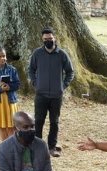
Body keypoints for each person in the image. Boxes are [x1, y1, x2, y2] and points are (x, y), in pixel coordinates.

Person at [28, 26, 74, 158]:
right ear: (42, 40)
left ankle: (52, 147)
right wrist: (35, 83)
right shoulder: (37, 53)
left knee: (54, 121)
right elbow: (31, 69)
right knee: (39, 121)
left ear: (54, 38)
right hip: (41, 95)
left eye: (50, 38)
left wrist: (63, 85)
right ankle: (37, 148)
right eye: (45, 39)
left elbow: (70, 71)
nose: (48, 41)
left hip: (56, 95)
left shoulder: (62, 54)